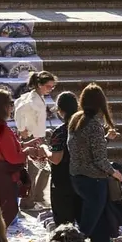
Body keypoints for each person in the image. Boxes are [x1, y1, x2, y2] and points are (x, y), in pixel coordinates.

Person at [68, 83, 122, 242]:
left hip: (77, 178)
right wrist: (114, 173)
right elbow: (99, 159)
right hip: (94, 182)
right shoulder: (94, 126)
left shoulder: (76, 120)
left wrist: (106, 139)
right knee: (85, 230)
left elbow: (85, 150)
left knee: (100, 227)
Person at [0, 90, 45, 226]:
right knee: (4, 217)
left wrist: (24, 145)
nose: (11, 108)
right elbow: (13, 158)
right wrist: (27, 151)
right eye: (10, 104)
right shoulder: (2, 130)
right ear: (3, 107)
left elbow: (2, 149)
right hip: (4, 179)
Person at [15, 71, 57, 210]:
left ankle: (37, 196)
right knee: (34, 170)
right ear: (39, 85)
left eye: (52, 87)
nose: (50, 89)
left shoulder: (36, 97)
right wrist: (21, 128)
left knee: (44, 168)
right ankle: (28, 201)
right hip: (34, 137)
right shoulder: (32, 99)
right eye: (48, 86)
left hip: (38, 136)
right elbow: (19, 109)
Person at [49, 92, 82, 225]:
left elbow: (56, 158)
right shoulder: (86, 127)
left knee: (64, 225)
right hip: (84, 180)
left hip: (63, 182)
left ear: (60, 111)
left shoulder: (61, 131)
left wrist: (45, 150)